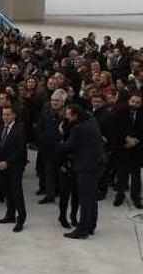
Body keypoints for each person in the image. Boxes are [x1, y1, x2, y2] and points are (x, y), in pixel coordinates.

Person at [58, 104, 106, 239]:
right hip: (97, 163)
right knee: (91, 197)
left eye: (68, 115)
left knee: (85, 198)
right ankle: (91, 225)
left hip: (87, 166)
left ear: (75, 115)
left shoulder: (79, 128)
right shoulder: (91, 119)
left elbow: (68, 146)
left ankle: (82, 230)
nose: (66, 117)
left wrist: (60, 136)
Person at [0, 105, 27, 233]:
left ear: (14, 115)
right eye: (3, 115)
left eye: (8, 115)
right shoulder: (1, 128)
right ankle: (10, 215)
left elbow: (20, 149)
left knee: (17, 192)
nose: (5, 117)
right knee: (7, 191)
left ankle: (21, 218)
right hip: (2, 166)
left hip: (14, 166)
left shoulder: (20, 129)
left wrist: (7, 162)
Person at [114, 93, 142, 209]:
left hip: (137, 149)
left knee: (136, 176)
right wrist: (126, 138)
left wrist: (136, 140)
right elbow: (116, 128)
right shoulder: (120, 113)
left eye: (137, 102)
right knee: (121, 175)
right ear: (129, 101)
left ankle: (136, 198)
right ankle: (119, 196)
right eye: (132, 101)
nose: (134, 104)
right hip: (123, 147)